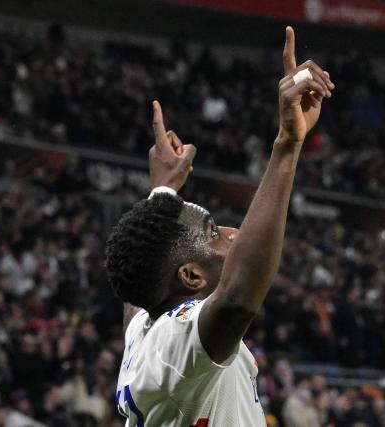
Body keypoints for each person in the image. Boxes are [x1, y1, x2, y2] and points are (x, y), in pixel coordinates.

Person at [105, 26, 335, 426]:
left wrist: (163, 191)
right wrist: (287, 143)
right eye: (213, 234)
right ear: (191, 275)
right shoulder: (175, 346)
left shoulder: (148, 328)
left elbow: (140, 284)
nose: (232, 232)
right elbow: (238, 299)